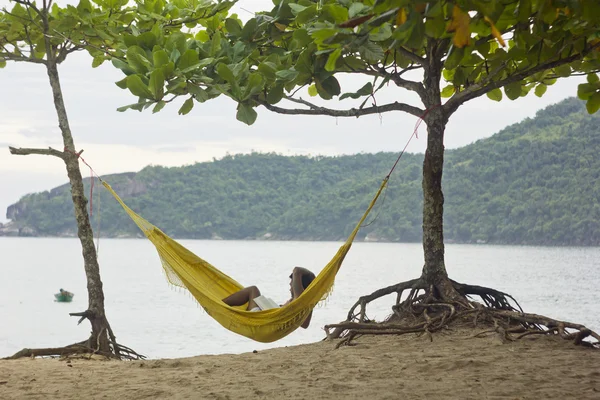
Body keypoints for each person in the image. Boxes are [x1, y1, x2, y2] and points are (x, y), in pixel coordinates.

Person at [222, 266, 316, 328]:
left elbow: (297, 270)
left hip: (260, 321)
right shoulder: (307, 305)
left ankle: (220, 305)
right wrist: (282, 310)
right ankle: (220, 304)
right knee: (257, 296)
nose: (290, 286)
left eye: (291, 285)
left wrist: (311, 276)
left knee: (253, 290)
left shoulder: (299, 301)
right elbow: (305, 325)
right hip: (268, 322)